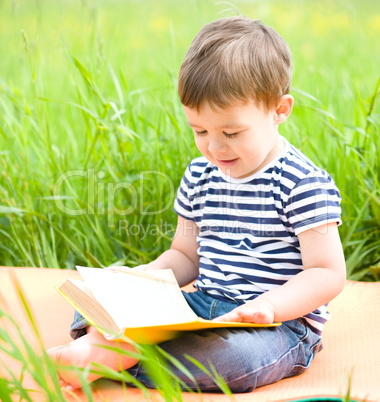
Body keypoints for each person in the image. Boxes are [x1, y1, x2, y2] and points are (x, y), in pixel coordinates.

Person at [48, 16, 346, 393]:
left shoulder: (303, 183)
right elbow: (186, 257)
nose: (214, 147)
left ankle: (108, 353)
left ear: (279, 110)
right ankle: (111, 342)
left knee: (234, 361)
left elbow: (327, 272)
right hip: (202, 307)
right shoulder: (201, 174)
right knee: (101, 290)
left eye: (231, 133)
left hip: (275, 325)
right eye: (200, 131)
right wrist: (145, 281)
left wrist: (270, 306)